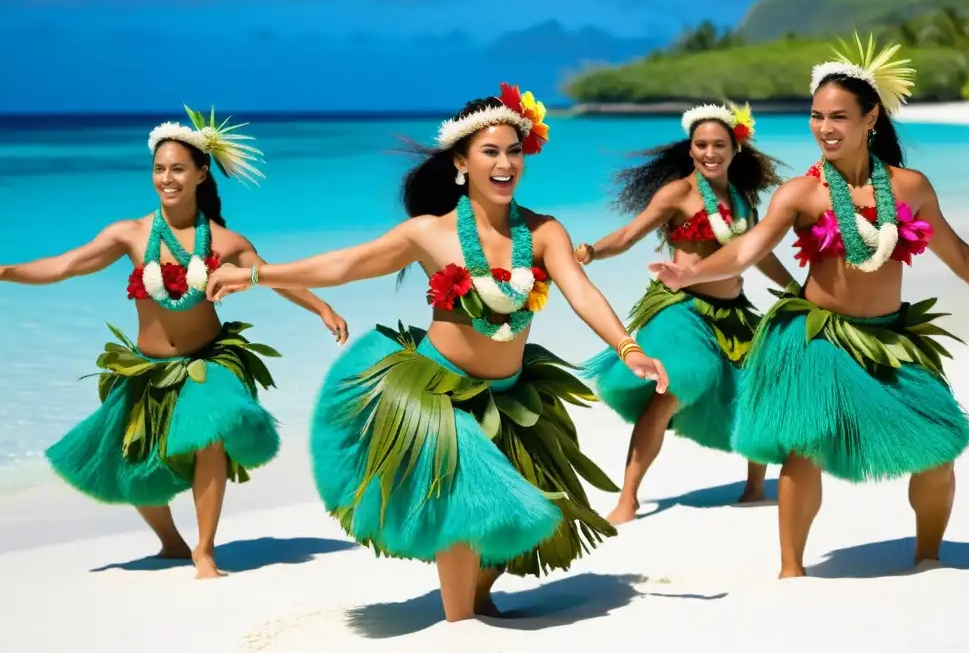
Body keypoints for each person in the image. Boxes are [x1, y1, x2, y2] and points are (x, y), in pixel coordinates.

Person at [205, 83, 670, 622]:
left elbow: (582, 291)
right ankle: (460, 626)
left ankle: (475, 602)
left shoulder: (544, 233)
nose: (504, 163)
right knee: (464, 511)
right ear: (460, 163)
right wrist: (256, 274)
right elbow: (346, 266)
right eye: (490, 152)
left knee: (518, 516)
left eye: (513, 151)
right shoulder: (429, 233)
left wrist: (628, 347)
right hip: (436, 394)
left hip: (510, 395)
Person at [648, 33, 969, 578]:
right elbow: (748, 249)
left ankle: (928, 558)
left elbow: (960, 255)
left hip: (888, 337)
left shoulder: (910, 187)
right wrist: (693, 272)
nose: (824, 127)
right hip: (817, 336)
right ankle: (791, 570)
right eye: (816, 115)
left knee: (939, 449)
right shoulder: (801, 194)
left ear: (871, 117)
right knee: (804, 447)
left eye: (839, 116)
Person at [0, 106, 347, 579]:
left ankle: (205, 551)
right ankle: (171, 542)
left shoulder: (225, 242)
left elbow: (270, 278)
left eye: (178, 168)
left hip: (207, 361)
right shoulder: (131, 233)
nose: (167, 178)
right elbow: (66, 265)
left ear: (202, 174)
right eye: (159, 169)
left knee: (211, 439)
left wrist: (322, 308)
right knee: (132, 461)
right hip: (149, 368)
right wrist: (6, 271)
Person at [574, 102, 794, 523]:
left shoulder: (744, 199)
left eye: (718, 145)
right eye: (701, 145)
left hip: (733, 311)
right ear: (690, 150)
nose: (710, 153)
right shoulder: (678, 193)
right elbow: (628, 234)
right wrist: (591, 252)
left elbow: (757, 253)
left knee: (753, 391)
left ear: (736, 148)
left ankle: (753, 489)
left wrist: (794, 290)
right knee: (669, 389)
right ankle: (628, 499)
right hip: (682, 309)